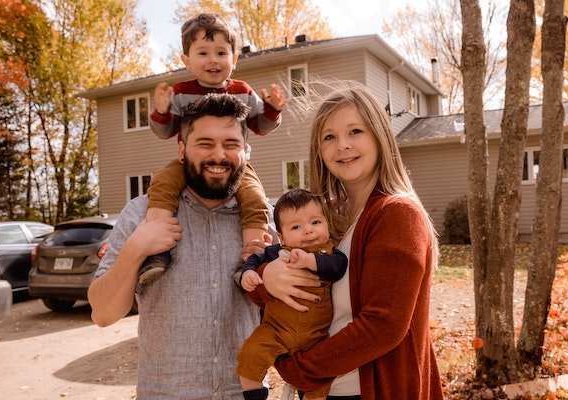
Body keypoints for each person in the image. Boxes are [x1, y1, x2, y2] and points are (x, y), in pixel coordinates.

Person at [254, 84, 444, 399]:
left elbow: (382, 327)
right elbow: (272, 285)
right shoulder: (325, 220)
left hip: (367, 391)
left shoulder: (397, 214)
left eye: (355, 131)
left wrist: (296, 369)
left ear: (379, 137)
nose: (342, 145)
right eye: (329, 137)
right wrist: (266, 277)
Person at [87, 94, 266, 399]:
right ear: (182, 150)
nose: (219, 155)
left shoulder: (264, 223)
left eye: (231, 144)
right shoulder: (140, 214)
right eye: (205, 143)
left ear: (245, 152)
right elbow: (103, 314)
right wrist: (135, 249)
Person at [140, 12, 286, 285]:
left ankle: (253, 259)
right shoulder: (181, 92)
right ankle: (156, 251)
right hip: (189, 165)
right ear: (186, 60)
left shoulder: (242, 91)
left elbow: (260, 126)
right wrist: (161, 112)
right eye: (203, 53)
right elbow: (166, 131)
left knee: (255, 198)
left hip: (237, 168)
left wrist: (273, 110)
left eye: (221, 52)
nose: (213, 60)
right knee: (162, 184)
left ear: (234, 58)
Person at [237, 189, 348, 400]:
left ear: (327, 223)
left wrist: (311, 261)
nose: (308, 231)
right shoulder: (278, 251)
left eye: (315, 222)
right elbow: (255, 258)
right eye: (296, 227)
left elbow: (338, 268)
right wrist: (249, 272)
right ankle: (254, 395)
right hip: (276, 329)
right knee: (250, 354)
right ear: (281, 236)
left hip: (316, 336)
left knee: (322, 377)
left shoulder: (330, 253)